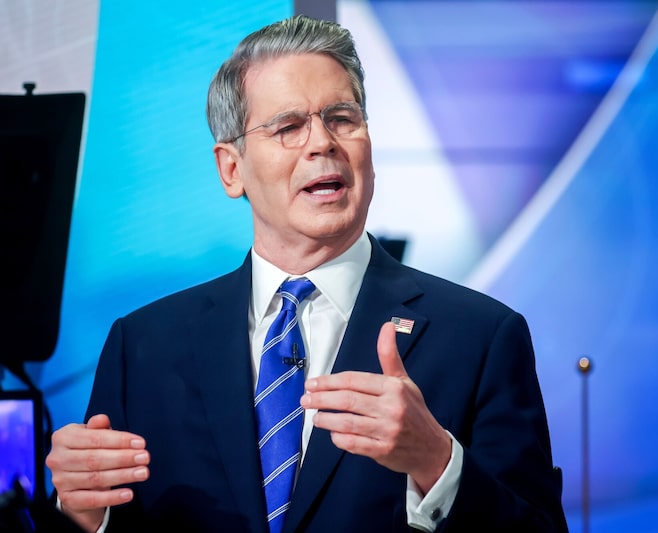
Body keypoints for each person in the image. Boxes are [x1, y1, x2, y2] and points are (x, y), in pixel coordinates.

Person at [45, 13, 568, 533]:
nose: (323, 143)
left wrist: (436, 462)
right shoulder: (142, 346)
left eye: (343, 118)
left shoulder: (480, 336)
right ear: (232, 169)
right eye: (289, 127)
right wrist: (84, 515)